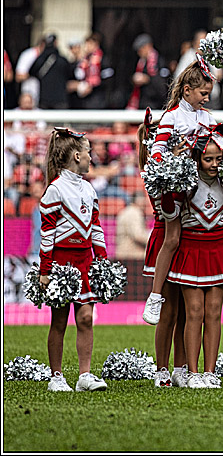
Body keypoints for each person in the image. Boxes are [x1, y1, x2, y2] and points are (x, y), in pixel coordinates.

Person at [142, 59, 223, 325]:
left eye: (209, 94)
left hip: (207, 181)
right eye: (203, 93)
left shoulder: (207, 117)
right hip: (182, 186)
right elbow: (157, 152)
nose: (207, 98)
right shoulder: (172, 117)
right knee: (172, 237)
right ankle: (155, 296)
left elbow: (218, 145)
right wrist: (173, 160)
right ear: (187, 90)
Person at [162, 131, 223, 388]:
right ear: (197, 158)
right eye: (208, 159)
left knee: (213, 313)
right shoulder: (186, 181)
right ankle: (193, 372)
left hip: (218, 250)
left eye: (218, 159)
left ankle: (210, 372)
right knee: (194, 312)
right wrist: (167, 185)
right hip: (191, 250)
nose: (214, 164)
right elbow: (169, 213)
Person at [39, 128, 109, 392]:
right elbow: (47, 234)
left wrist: (102, 260)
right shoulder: (55, 189)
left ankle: (84, 376)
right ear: (77, 156)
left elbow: (96, 228)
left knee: (86, 318)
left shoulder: (89, 189)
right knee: (59, 320)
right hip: (61, 262)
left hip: (85, 262)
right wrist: (46, 270)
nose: (92, 157)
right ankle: (56, 377)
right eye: (89, 152)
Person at [136, 112, 187, 388]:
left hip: (187, 238)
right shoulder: (155, 170)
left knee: (186, 312)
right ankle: (162, 370)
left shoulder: (174, 165)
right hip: (166, 238)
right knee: (169, 312)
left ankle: (181, 367)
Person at [29, 34, 73, 110]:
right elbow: (70, 75)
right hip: (60, 100)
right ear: (56, 43)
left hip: (44, 99)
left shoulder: (39, 60)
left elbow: (32, 72)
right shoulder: (62, 61)